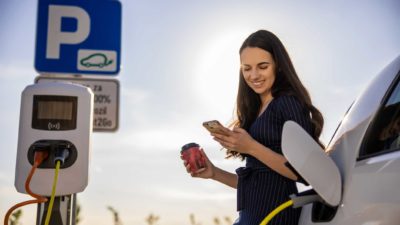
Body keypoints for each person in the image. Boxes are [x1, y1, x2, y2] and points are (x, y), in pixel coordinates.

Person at [182, 30, 324, 225]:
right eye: (247, 68)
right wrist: (214, 173)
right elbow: (258, 182)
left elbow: (308, 172)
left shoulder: (288, 103)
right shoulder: (255, 111)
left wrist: (251, 147)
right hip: (251, 216)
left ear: (278, 66)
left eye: (263, 66)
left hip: (275, 216)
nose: (254, 75)